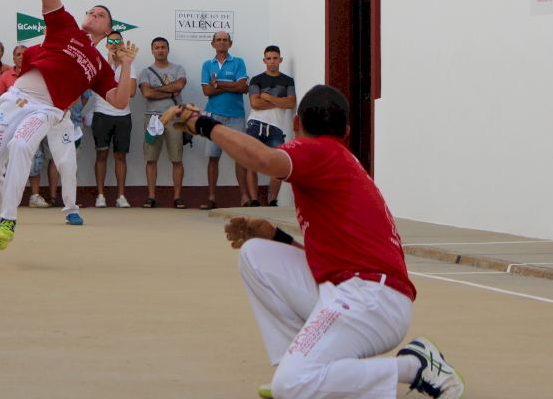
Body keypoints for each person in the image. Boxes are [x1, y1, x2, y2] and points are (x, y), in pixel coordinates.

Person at [162, 88, 465, 399]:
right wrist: (276, 236)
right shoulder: (337, 162)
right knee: (255, 254)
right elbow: (328, 259)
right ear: (347, 131)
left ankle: (414, 366)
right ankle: (301, 363)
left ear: (296, 124)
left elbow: (263, 158)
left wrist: (204, 124)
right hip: (364, 292)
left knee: (290, 386)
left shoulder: (319, 151)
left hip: (371, 299)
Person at [0, 0, 137, 247]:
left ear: (108, 30)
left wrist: (127, 64)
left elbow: (120, 101)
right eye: (91, 11)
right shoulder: (65, 26)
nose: (93, 15)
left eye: (100, 15)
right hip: (15, 99)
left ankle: (9, 219)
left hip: (47, 110)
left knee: (22, 145)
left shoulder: (100, 66)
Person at [199, 30, 249, 209]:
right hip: (214, 116)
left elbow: (243, 86)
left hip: (236, 116)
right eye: (218, 40)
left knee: (240, 158)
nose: (221, 42)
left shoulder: (238, 62)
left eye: (225, 40)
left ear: (230, 43)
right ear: (213, 44)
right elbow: (207, 91)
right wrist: (232, 85)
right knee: (213, 157)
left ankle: (244, 197)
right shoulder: (207, 65)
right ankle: (212, 197)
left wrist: (217, 83)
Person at [138, 37, 188, 208]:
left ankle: (178, 197)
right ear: (152, 50)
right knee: (151, 159)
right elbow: (147, 93)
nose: (160, 50)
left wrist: (156, 90)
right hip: (152, 119)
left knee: (177, 159)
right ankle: (151, 196)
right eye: (157, 47)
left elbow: (179, 86)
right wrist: (170, 92)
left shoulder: (178, 69)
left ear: (168, 49)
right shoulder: (145, 71)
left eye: (163, 47)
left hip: (174, 118)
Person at [245, 46, 296, 207]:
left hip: (276, 128)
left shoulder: (288, 81)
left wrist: (267, 97)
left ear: (280, 60)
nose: (272, 61)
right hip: (255, 124)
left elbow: (291, 103)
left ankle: (273, 201)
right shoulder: (256, 80)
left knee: (277, 165)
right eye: (269, 58)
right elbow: (255, 104)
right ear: (264, 60)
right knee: (251, 163)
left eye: (275, 58)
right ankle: (254, 200)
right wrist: (279, 102)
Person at [90, 31, 136, 208]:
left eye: (118, 41)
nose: (115, 44)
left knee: (120, 156)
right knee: (101, 154)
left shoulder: (129, 63)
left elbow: (131, 91)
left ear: (123, 43)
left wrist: (122, 68)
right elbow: (96, 85)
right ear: (106, 44)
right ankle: (100, 195)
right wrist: (109, 63)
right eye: (111, 41)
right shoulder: (100, 62)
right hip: (102, 114)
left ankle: (121, 196)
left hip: (123, 116)